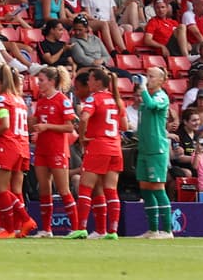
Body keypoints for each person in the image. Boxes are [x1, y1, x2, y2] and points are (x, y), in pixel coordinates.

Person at [68, 67, 125, 239]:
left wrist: (84, 136)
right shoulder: (116, 99)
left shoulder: (95, 98)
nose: (89, 83)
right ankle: (110, 231)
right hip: (115, 148)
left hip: (98, 146)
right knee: (109, 190)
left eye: (91, 80)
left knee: (86, 188)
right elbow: (125, 126)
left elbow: (84, 118)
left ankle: (81, 228)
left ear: (98, 82)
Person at [0, 64, 35, 238]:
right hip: (22, 146)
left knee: (1, 188)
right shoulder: (19, 99)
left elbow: (5, 125)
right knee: (16, 189)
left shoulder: (2, 99)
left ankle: (14, 226)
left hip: (8, 145)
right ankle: (20, 227)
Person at [30, 67, 79, 236]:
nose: (38, 83)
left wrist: (47, 127)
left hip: (57, 150)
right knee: (44, 189)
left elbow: (70, 127)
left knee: (63, 189)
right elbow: (37, 121)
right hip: (42, 149)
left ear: (51, 82)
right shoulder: (41, 100)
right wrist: (36, 131)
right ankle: (46, 229)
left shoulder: (62, 100)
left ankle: (76, 228)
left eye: (41, 80)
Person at [135, 68, 174, 239]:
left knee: (158, 187)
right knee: (145, 188)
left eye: (151, 77)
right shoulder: (146, 99)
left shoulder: (161, 97)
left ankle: (167, 230)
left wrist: (142, 88)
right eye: (147, 76)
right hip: (144, 148)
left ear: (161, 81)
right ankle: (153, 229)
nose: (147, 79)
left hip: (156, 148)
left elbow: (151, 106)